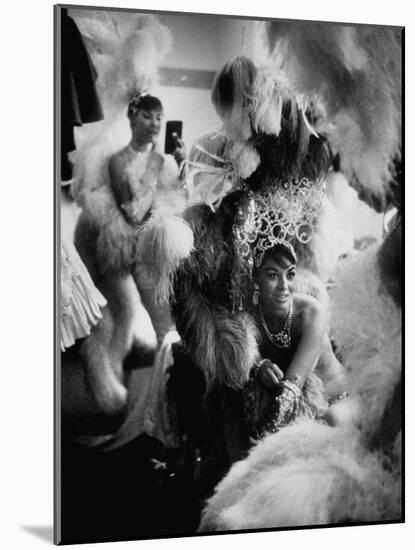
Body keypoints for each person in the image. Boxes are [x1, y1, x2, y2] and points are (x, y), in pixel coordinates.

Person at [245, 242, 349, 439]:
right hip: (296, 411)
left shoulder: (311, 312)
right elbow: (239, 356)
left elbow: (291, 390)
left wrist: (263, 450)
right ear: (255, 278)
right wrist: (259, 365)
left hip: (337, 402)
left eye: (290, 274)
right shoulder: (248, 317)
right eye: (273, 275)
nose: (284, 286)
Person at [107, 92, 188, 345]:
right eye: (147, 116)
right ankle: (164, 383)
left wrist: (182, 163)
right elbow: (133, 214)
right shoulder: (118, 161)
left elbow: (185, 201)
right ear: (132, 119)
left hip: (176, 256)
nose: (155, 124)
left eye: (159, 117)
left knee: (185, 328)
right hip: (145, 257)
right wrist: (154, 164)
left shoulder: (165, 160)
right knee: (165, 330)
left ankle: (177, 382)